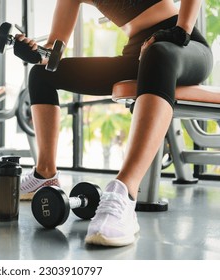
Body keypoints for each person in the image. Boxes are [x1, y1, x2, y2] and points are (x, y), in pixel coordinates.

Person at [15, 0, 213, 247]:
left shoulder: (179, 38)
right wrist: (35, 53)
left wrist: (182, 28)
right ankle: (45, 174)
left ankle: (124, 193)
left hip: (183, 43)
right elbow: (52, 55)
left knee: (159, 52)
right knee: (41, 75)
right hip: (137, 54)